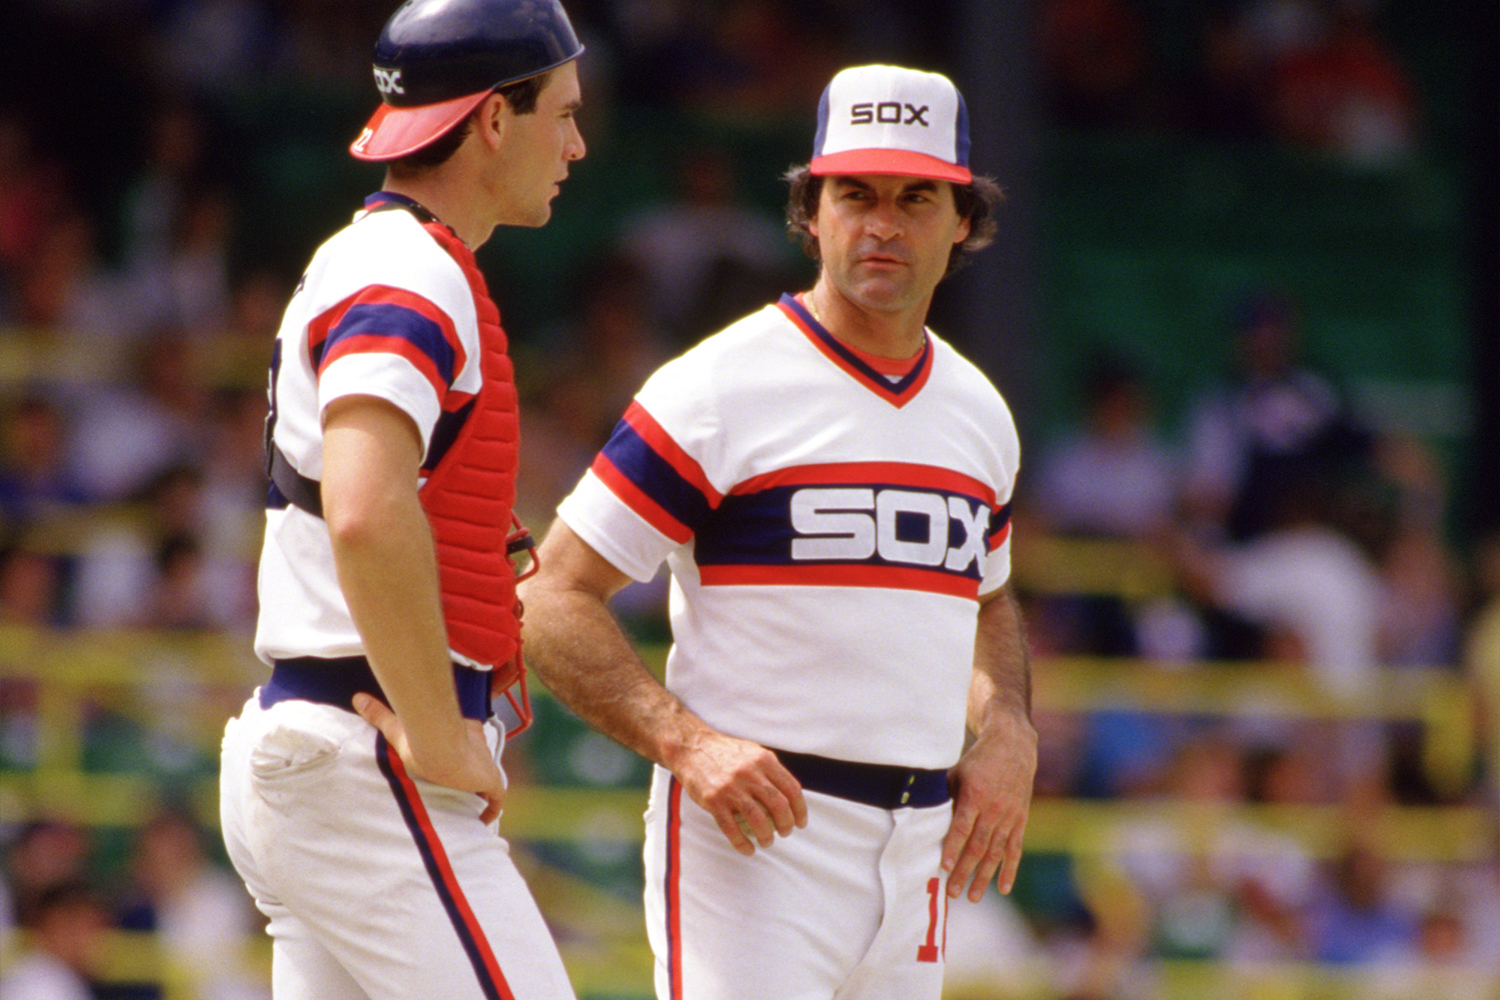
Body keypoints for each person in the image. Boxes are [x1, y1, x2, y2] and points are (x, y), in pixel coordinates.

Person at [520, 64, 1036, 999]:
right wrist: (689, 745)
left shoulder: (978, 412)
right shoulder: (717, 387)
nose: (882, 224)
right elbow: (551, 595)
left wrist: (1008, 727)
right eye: (856, 194)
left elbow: (988, 603)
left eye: (916, 197)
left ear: (963, 219)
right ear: (810, 211)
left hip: (920, 843)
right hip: (756, 844)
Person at [216, 0, 587, 997]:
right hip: (368, 749)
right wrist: (432, 729)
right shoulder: (407, 267)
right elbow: (367, 508)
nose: (578, 143)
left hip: (326, 743)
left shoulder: (391, 255)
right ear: (494, 120)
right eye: (561, 112)